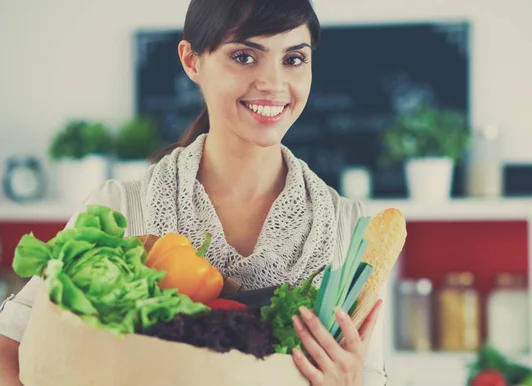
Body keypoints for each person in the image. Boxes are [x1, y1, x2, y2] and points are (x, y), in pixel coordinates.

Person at [0, 0, 387, 385]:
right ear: (191, 61)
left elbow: (372, 377)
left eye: (294, 59)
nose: (273, 82)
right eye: (244, 57)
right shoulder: (120, 208)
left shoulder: (350, 229)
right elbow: (8, 348)